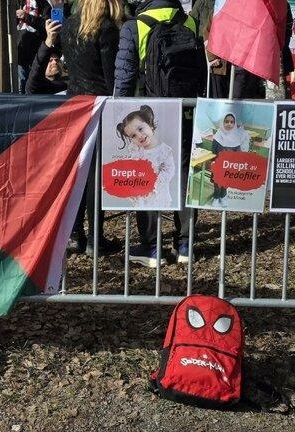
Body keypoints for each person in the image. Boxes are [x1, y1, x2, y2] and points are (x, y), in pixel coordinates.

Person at [114, 0, 205, 266]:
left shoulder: (135, 26)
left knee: (147, 174)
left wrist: (119, 113)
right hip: (185, 110)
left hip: (147, 112)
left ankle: (152, 248)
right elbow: (201, 72)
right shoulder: (190, 22)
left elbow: (124, 79)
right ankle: (185, 245)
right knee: (185, 174)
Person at [61, 0, 123, 255]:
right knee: (95, 174)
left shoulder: (69, 25)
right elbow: (111, 75)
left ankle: (75, 234)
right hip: (99, 103)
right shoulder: (106, 28)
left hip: (74, 103)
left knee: (78, 172)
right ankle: (96, 238)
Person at [116, 105, 174, 208]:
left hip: (157, 192)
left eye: (140, 129)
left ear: (150, 124)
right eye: (133, 136)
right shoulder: (136, 150)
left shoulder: (164, 150)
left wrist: (154, 183)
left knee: (155, 210)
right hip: (140, 192)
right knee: (142, 211)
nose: (139, 136)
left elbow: (169, 170)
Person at [210, 113, 249, 208]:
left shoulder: (236, 137)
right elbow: (213, 151)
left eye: (232, 122)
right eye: (226, 121)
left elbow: (238, 154)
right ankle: (216, 197)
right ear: (222, 122)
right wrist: (213, 161)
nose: (229, 124)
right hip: (218, 164)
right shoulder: (217, 136)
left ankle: (223, 196)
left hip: (229, 165)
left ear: (234, 124)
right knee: (217, 183)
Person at [25, 19, 66, 95]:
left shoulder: (72, 84)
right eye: (50, 60)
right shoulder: (37, 88)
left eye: (57, 60)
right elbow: (37, 69)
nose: (54, 62)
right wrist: (49, 39)